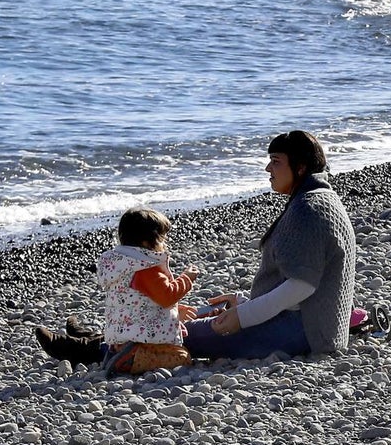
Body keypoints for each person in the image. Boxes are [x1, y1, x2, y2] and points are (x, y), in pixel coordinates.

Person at [35, 130, 356, 365]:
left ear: (299, 168)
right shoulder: (318, 199)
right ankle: (98, 338)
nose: (268, 169)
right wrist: (245, 301)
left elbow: (302, 285)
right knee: (184, 318)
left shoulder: (309, 208)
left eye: (275, 161)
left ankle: (84, 350)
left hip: (302, 332)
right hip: (308, 324)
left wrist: (242, 317)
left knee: (175, 332)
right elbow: (304, 284)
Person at [35, 206, 200, 373]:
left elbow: (139, 301)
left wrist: (175, 311)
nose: (165, 244)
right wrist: (187, 278)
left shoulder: (122, 264)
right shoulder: (146, 268)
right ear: (146, 242)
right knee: (182, 357)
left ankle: (82, 337)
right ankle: (123, 359)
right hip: (140, 340)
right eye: (163, 239)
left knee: (112, 340)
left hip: (120, 333)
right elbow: (166, 296)